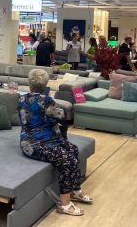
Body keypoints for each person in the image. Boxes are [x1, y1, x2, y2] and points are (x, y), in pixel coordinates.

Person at [18, 69, 93, 217]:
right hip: (34, 144)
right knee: (67, 158)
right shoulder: (46, 100)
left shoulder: (22, 98)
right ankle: (65, 204)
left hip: (46, 139)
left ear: (30, 84)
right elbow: (61, 115)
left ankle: (75, 190)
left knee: (73, 149)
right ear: (46, 84)